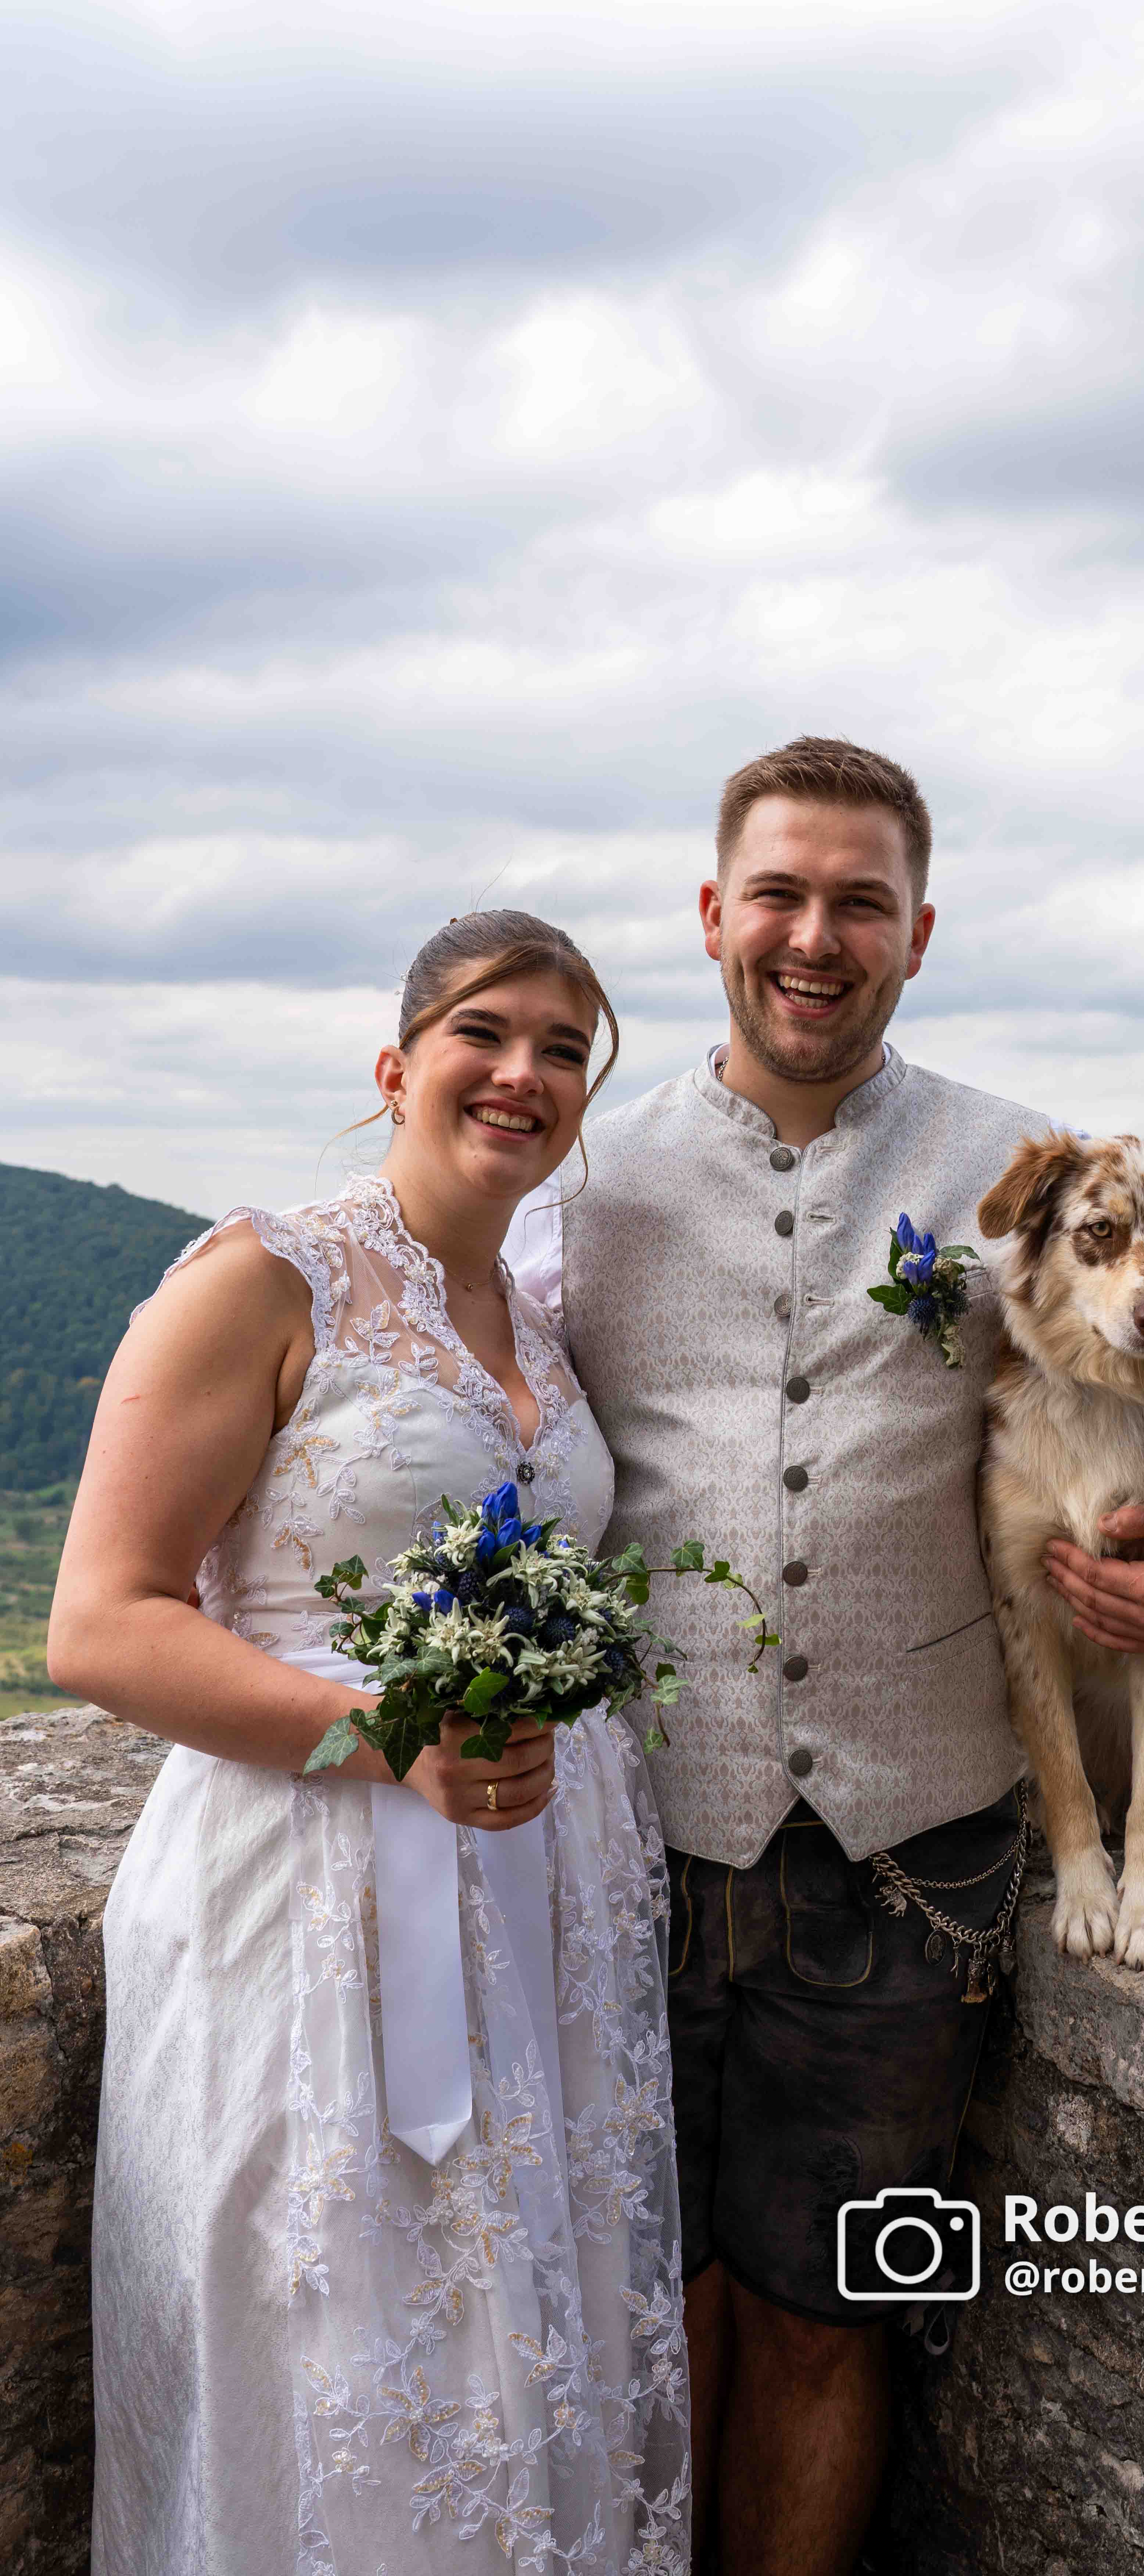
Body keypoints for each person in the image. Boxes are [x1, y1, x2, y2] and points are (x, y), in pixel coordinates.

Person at [505, 738, 1144, 2576]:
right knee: (647, 2305)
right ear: (713, 916)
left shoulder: (1009, 1157)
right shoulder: (588, 1184)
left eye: (859, 902)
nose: (815, 936)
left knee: (836, 2312)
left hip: (916, 1856)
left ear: (917, 933)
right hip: (635, 1839)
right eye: (778, 894)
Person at [49, 912, 690, 2576]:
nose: (526, 1071)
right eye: (489, 1031)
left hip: (537, 1903)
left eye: (566, 1050)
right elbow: (102, 1623)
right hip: (313, 1894)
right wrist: (382, 1735)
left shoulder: (536, 1321)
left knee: (518, 2347)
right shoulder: (265, 1275)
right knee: (339, 2352)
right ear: (396, 1065)